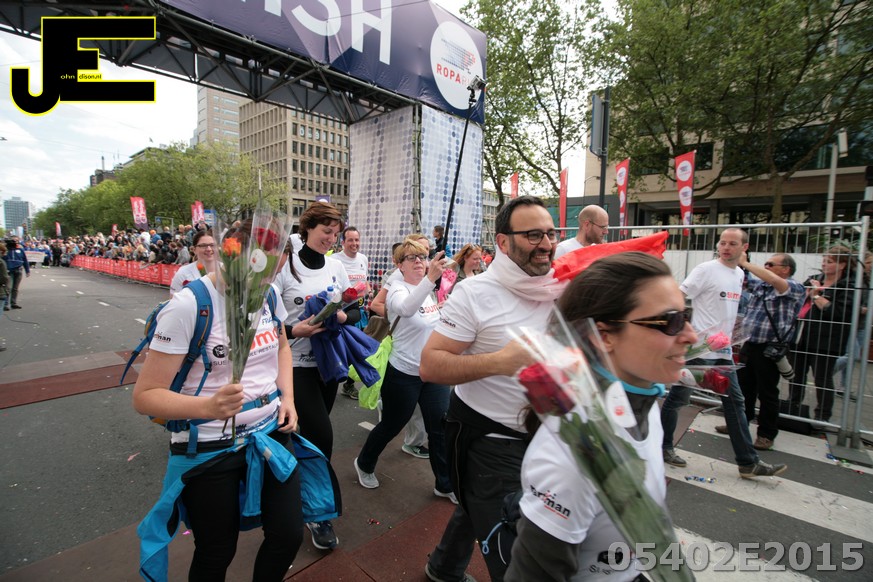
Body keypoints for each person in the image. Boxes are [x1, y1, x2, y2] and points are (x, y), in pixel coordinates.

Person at [506, 252, 696, 580]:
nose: (691, 335)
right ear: (604, 336)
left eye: (687, 315)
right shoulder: (571, 459)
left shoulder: (643, 404)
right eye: (670, 321)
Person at [133, 224, 303, 581]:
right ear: (231, 257)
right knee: (216, 551)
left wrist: (287, 397)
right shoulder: (189, 305)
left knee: (289, 535)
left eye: (273, 275)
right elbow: (145, 396)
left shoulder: (269, 294)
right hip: (210, 446)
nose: (264, 285)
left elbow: (282, 347)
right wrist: (207, 408)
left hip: (270, 435)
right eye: (259, 274)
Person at [422, 196, 566, 582]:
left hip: (549, 434)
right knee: (517, 554)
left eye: (551, 234)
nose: (546, 244)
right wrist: (500, 361)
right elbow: (430, 365)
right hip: (490, 438)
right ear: (503, 242)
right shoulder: (474, 293)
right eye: (533, 235)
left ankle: (442, 567)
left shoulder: (562, 284)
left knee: (475, 503)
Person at [660, 228, 787, 479]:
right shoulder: (705, 270)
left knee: (734, 402)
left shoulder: (739, 273)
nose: (726, 247)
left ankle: (747, 462)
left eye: (732, 244)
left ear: (744, 248)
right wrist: (680, 331)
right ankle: (663, 447)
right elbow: (677, 297)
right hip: (698, 349)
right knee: (678, 399)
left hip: (723, 351)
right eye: (723, 243)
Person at [352, 239, 455, 500]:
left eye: (422, 256)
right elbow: (407, 310)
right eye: (411, 257)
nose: (419, 261)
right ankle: (364, 462)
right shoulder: (398, 289)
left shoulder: (427, 290)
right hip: (403, 374)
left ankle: (444, 484)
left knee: (440, 428)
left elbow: (427, 320)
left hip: (432, 371)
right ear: (399, 265)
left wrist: (443, 308)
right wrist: (430, 279)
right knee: (392, 425)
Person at [274, 201, 350, 551]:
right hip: (294, 365)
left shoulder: (336, 266)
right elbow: (264, 322)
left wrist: (342, 315)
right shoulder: (285, 268)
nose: (331, 239)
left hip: (328, 364)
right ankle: (317, 512)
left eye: (335, 234)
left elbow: (352, 308)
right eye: (326, 232)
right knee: (322, 435)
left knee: (308, 437)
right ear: (307, 229)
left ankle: (296, 491)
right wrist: (295, 331)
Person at [733, 253, 805, 450]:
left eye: (770, 264)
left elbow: (774, 281)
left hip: (769, 348)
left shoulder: (795, 288)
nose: (766, 267)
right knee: (744, 388)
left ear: (786, 269)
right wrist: (737, 258)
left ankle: (766, 434)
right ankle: (740, 424)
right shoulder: (761, 286)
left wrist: (745, 262)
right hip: (750, 344)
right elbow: (742, 279)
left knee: (767, 393)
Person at [789, 245, 858, 422]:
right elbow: (796, 298)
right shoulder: (813, 279)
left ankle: (822, 417)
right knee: (796, 375)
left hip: (827, 340)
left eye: (830, 261)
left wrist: (816, 296)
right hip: (802, 335)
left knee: (822, 378)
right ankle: (792, 408)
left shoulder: (847, 286)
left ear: (842, 265)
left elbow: (838, 313)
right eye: (824, 260)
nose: (824, 264)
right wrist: (808, 294)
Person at [333, 226, 370, 400]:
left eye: (357, 240)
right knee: (341, 348)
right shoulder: (335, 260)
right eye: (350, 240)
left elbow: (365, 281)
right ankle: (331, 380)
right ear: (343, 242)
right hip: (341, 310)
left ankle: (348, 384)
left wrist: (367, 290)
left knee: (356, 349)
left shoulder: (363, 259)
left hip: (359, 310)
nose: (354, 243)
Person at [833, 253, 872, 397]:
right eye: (869, 262)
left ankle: (844, 387)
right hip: (850, 323)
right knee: (852, 355)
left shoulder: (867, 280)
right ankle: (825, 372)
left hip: (862, 325)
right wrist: (860, 308)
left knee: (852, 358)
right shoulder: (853, 280)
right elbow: (847, 301)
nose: (870, 265)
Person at [169, 231, 217, 297]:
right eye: (203, 245)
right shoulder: (183, 273)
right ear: (194, 250)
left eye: (212, 245)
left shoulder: (226, 270)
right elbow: (173, 299)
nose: (209, 249)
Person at [3, 239, 30, 310]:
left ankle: (13, 303)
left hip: (18, 270)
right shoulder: (6, 251)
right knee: (8, 287)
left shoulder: (20, 250)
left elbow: (25, 260)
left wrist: (27, 270)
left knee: (15, 288)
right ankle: (6, 304)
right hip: (9, 271)